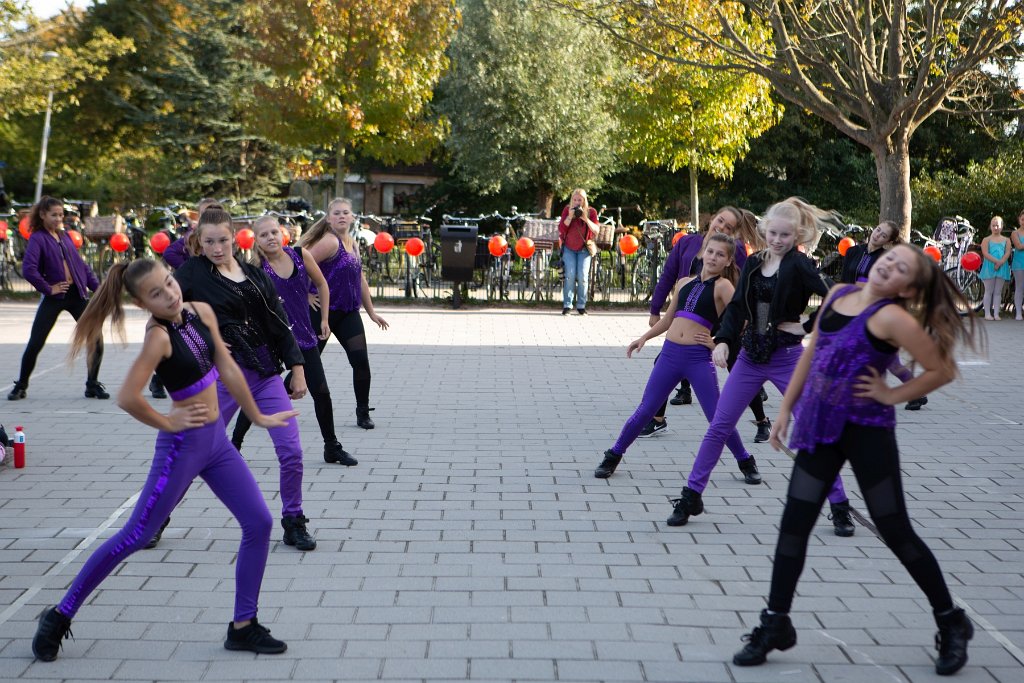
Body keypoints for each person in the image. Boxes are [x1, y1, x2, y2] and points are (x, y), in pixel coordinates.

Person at [732, 244, 981, 676]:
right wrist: (786, 409)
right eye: (890, 258)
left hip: (867, 433)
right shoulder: (839, 294)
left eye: (902, 268)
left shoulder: (893, 318)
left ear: (909, 287)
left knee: (895, 530)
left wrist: (892, 394)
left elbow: (942, 370)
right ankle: (775, 623)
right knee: (794, 526)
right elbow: (811, 354)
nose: (890, 266)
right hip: (818, 428)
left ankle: (951, 620)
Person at [32, 259, 294, 661]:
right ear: (141, 303)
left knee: (259, 522)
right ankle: (60, 614)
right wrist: (168, 421)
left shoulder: (200, 311)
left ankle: (244, 626)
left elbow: (227, 366)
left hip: (217, 447)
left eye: (169, 283)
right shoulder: (158, 337)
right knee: (136, 535)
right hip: (181, 451)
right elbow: (127, 397)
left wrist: (257, 416)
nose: (170, 294)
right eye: (157, 293)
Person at [667, 198, 855, 537]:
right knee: (719, 427)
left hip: (787, 359)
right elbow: (737, 308)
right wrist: (722, 340)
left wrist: (807, 326)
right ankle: (691, 495)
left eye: (785, 235)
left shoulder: (799, 265)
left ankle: (839, 505)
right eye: (773, 233)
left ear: (797, 234)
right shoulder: (753, 263)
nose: (778, 240)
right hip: (750, 358)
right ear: (763, 230)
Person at [168, 208, 316, 551]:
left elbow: (279, 322)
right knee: (192, 452)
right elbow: (165, 312)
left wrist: (297, 368)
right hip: (218, 379)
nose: (217, 248)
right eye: (209, 242)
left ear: (234, 238)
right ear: (198, 243)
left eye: (223, 240)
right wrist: (205, 333)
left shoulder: (253, 275)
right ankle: (159, 516)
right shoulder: (189, 274)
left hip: (264, 375)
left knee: (292, 451)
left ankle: (293, 520)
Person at [594, 233, 760, 483]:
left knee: (716, 417)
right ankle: (613, 454)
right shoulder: (684, 282)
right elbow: (669, 319)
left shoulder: (724, 286)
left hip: (698, 358)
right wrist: (644, 338)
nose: (713, 257)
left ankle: (745, 460)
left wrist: (717, 343)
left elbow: (742, 320)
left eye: (720, 254)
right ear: (703, 252)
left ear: (728, 261)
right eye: (711, 251)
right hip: (671, 354)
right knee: (646, 409)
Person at [230, 216, 357, 466]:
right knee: (257, 394)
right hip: (272, 341)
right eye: (264, 235)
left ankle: (331, 447)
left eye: (274, 232)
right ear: (257, 241)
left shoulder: (300, 255)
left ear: (283, 233)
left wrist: (323, 319)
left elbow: (321, 284)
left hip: (304, 336)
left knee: (321, 392)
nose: (270, 237)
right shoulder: (255, 270)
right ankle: (234, 446)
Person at [643, 208, 772, 441]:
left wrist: (743, 328)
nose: (721, 227)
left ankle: (762, 421)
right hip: (690, 317)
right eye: (720, 220)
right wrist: (655, 310)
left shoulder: (735, 251)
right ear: (712, 218)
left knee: (737, 370)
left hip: (722, 319)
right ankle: (657, 420)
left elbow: (747, 289)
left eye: (729, 227)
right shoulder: (687, 243)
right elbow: (668, 276)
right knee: (661, 361)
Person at [300, 198, 389, 430]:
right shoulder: (329, 242)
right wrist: (306, 296)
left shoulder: (352, 243)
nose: (341, 216)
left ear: (352, 217)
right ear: (329, 219)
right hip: (321, 311)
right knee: (305, 363)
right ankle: (272, 399)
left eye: (345, 212)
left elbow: (359, 279)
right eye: (336, 213)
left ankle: (363, 412)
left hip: (348, 313)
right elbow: (299, 265)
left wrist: (371, 313)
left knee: (361, 362)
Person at [9, 196, 106, 401]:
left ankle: (92, 384)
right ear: (42, 215)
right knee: (36, 342)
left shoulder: (65, 236)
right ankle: (21, 385)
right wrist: (47, 288)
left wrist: (98, 289)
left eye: (61, 214)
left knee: (96, 340)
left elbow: (82, 266)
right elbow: (29, 269)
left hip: (77, 295)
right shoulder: (38, 238)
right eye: (54, 215)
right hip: (55, 297)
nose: (58, 218)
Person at [150, 198, 223, 400]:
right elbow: (169, 252)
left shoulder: (222, 234)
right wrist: (189, 268)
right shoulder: (193, 235)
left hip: (212, 293)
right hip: (192, 295)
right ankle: (159, 379)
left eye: (214, 211)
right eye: (206, 212)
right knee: (185, 338)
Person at [558, 189, 600, 315]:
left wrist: (585, 218)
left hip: (584, 250)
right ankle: (567, 305)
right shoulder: (567, 210)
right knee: (569, 276)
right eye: (575, 200)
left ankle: (581, 305)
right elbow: (561, 228)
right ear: (572, 200)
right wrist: (570, 217)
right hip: (569, 248)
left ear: (584, 201)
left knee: (582, 276)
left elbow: (596, 230)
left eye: (579, 200)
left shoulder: (591, 211)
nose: (577, 202)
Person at [979, 216, 1011, 321]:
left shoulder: (1006, 240)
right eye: (993, 225)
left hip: (1002, 266)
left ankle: (996, 313)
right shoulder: (986, 239)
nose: (995, 227)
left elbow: (1007, 252)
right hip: (989, 267)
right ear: (990, 226)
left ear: (1002, 226)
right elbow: (985, 253)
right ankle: (987, 313)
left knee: (998, 292)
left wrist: (1001, 262)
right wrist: (996, 262)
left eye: (997, 225)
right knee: (988, 290)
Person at [1011, 209, 1024, 321]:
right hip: (1019, 263)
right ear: (1019, 220)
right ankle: (1018, 313)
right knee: (1019, 287)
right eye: (1023, 219)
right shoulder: (1015, 233)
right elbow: (1019, 246)